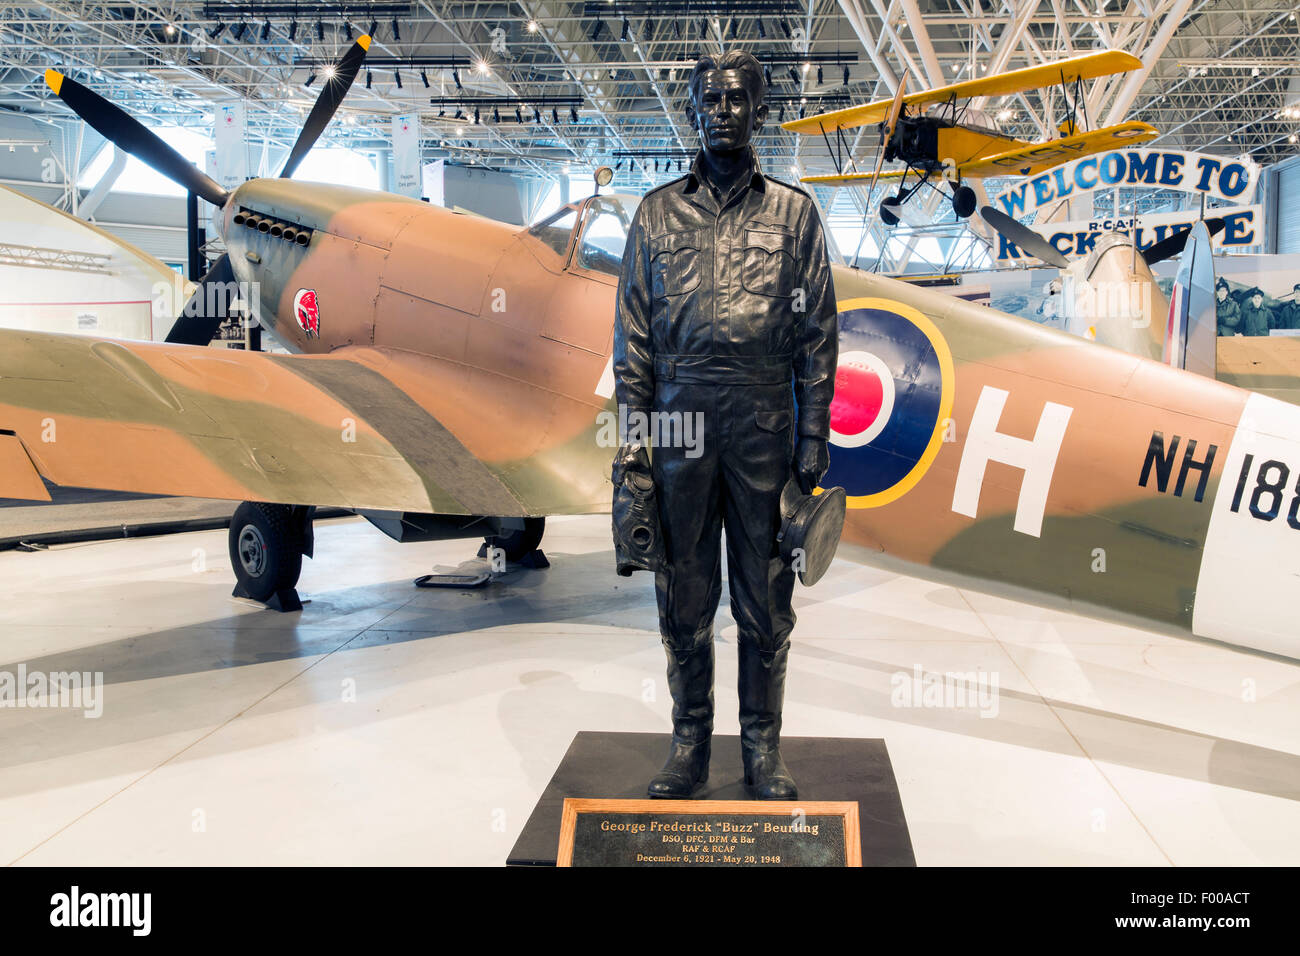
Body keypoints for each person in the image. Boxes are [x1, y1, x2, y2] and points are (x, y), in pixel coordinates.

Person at [612, 48, 838, 800]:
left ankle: (762, 750)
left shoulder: (794, 215)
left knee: (765, 597)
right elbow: (633, 343)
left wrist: (811, 439)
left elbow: (817, 334)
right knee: (684, 591)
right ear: (691, 112)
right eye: (709, 100)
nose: (722, 110)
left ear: (760, 111)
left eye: (737, 99)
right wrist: (633, 451)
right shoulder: (655, 214)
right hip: (677, 422)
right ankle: (688, 743)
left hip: (763, 422)